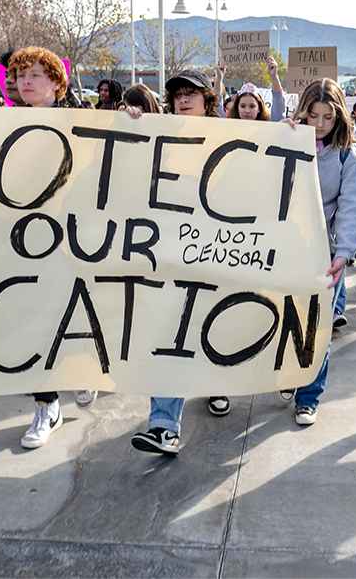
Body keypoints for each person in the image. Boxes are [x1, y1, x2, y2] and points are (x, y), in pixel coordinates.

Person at [130, 70, 232, 456]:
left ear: (207, 100)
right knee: (168, 336)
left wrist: (288, 132)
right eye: (177, 95)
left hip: (218, 252)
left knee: (212, 327)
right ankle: (163, 424)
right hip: (168, 253)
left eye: (191, 93)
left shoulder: (233, 141)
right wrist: (132, 131)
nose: (184, 100)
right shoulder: (159, 138)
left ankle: (218, 382)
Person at [3, 46, 95, 446]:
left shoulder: (85, 122)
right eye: (21, 74)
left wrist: (133, 123)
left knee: (75, 313)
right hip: (24, 240)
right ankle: (46, 404)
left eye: (37, 74)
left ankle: (82, 370)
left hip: (75, 240)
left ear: (58, 83)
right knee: (32, 320)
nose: (26, 80)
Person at [280, 78, 356, 424]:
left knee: (316, 328)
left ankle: (309, 396)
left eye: (327, 117)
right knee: (285, 320)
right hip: (283, 248)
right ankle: (287, 374)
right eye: (312, 116)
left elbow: (351, 205)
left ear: (339, 116)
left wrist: (343, 252)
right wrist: (278, 137)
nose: (319, 125)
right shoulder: (285, 137)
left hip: (326, 252)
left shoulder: (347, 153)